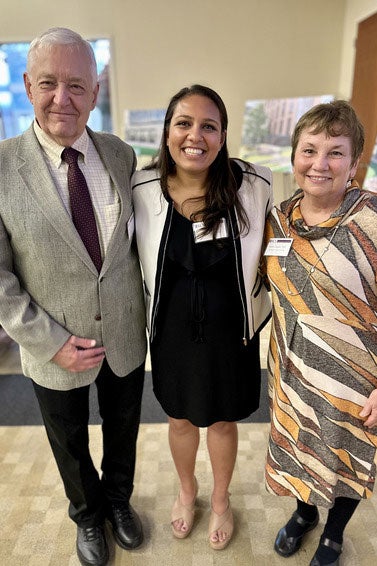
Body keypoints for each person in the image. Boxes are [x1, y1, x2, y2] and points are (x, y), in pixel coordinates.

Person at [0, 28, 146, 566]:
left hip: (125, 333)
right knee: (69, 440)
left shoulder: (121, 155)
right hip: (52, 344)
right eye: (48, 83)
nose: (63, 98)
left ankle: (119, 501)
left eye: (77, 85)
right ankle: (86, 515)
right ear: (26, 85)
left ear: (96, 88)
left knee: (124, 428)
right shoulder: (1, 167)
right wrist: (51, 342)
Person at [132, 84, 272, 549]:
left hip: (233, 333)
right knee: (179, 420)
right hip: (171, 332)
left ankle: (221, 501)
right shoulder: (141, 187)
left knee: (224, 422)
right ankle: (187, 492)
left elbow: (280, 253)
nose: (196, 135)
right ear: (167, 132)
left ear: (223, 135)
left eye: (208, 125)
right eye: (184, 123)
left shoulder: (254, 186)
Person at [263, 100, 377, 566]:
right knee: (301, 446)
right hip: (291, 370)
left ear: (354, 164)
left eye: (335, 152)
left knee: (346, 457)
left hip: (354, 376)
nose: (320, 163)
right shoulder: (280, 218)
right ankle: (304, 513)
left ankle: (333, 533)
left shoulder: (371, 220)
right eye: (309, 149)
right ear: (294, 157)